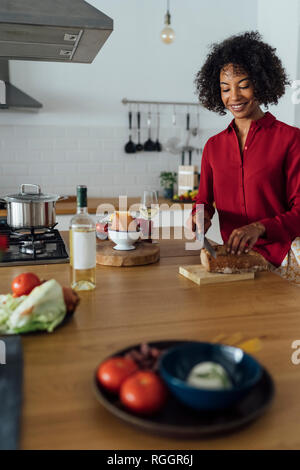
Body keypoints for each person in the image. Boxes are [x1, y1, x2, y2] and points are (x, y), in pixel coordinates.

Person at [189, 31, 300, 284]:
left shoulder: (291, 139)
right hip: (235, 260)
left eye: (244, 85)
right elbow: (203, 201)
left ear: (261, 83)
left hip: (284, 259)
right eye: (225, 88)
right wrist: (200, 215)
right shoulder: (213, 146)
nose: (234, 97)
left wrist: (260, 227)